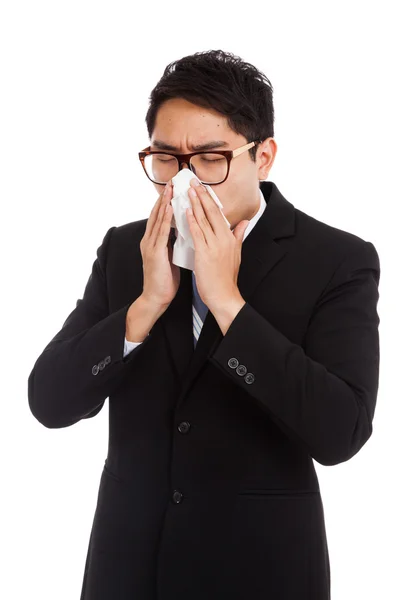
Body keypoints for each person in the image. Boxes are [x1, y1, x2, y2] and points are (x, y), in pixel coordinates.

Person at [28, 49, 380, 600]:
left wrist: (228, 305)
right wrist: (145, 305)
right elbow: (48, 401)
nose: (184, 181)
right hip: (128, 571)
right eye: (167, 158)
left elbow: (341, 432)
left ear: (262, 157)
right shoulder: (126, 249)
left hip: (263, 573)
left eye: (210, 158)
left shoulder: (336, 259)